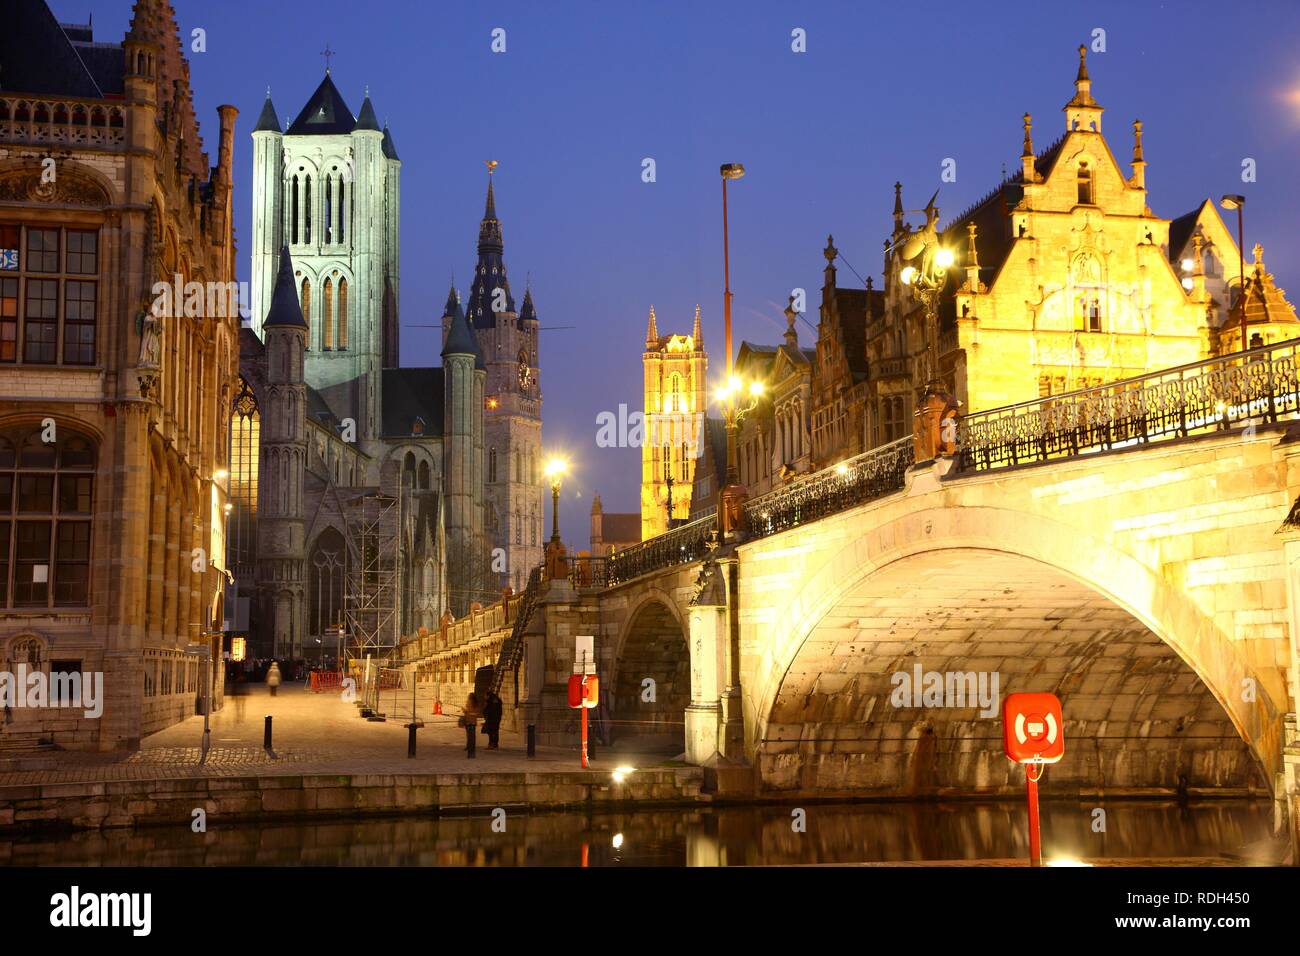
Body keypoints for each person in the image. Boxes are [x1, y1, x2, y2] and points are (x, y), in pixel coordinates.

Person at [460, 692, 482, 757]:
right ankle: (473, 752)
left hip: (468, 722)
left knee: (469, 737)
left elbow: (467, 712)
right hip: (474, 722)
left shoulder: (469, 702)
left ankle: (470, 752)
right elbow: (476, 713)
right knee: (473, 738)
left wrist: (465, 710)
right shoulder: (477, 704)